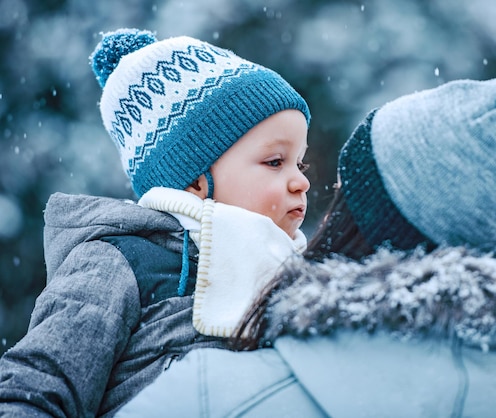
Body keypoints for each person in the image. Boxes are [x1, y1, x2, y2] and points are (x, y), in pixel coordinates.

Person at [116, 30, 496, 417]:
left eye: (343, 193)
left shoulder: (214, 395)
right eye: (276, 164)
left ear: (365, 226)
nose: (307, 189)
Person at [0, 28, 312, 417]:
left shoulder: (299, 278)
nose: (302, 181)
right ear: (196, 180)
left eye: (301, 163)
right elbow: (37, 387)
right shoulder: (122, 262)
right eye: (274, 162)